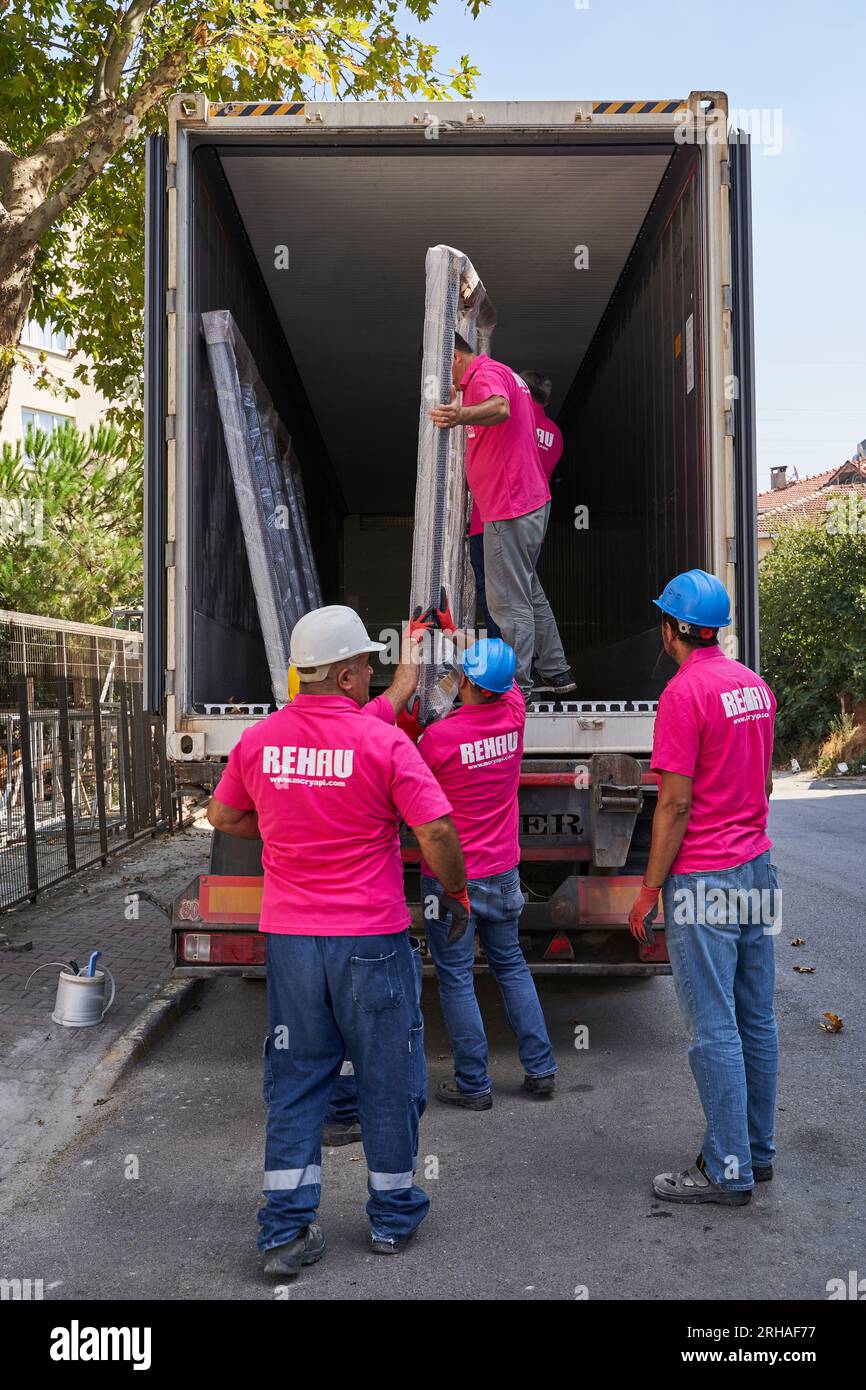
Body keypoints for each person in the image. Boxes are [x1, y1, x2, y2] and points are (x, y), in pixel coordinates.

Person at [207, 605, 469, 1277]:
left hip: (293, 942)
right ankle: (391, 1216)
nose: (372, 677)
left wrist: (288, 831)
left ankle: (285, 1233)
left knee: (298, 1083)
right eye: (367, 668)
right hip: (370, 942)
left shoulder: (263, 739)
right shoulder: (384, 745)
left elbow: (224, 813)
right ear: (348, 672)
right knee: (388, 1077)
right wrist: (459, 892)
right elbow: (436, 832)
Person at [627, 570, 778, 1207]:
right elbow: (765, 785)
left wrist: (648, 888)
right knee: (756, 1018)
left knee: (712, 1023)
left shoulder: (683, 693)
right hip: (757, 870)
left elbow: (675, 805)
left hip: (706, 879)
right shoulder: (753, 686)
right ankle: (756, 1151)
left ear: (672, 629)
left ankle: (727, 1168)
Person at [417, 636, 557, 1108]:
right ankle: (541, 1069)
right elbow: (511, 685)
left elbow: (411, 789)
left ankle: (473, 1084)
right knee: (511, 965)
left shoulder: (439, 739)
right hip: (503, 872)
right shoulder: (514, 718)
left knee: (456, 977)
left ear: (470, 684)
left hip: (452, 879)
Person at [429, 334, 575, 700]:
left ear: (454, 357)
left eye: (441, 368)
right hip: (526, 503)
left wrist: (460, 415)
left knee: (508, 603)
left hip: (509, 507)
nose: (446, 381)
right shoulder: (504, 374)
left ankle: (517, 686)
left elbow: (500, 408)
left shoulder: (483, 376)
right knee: (528, 592)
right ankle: (557, 671)